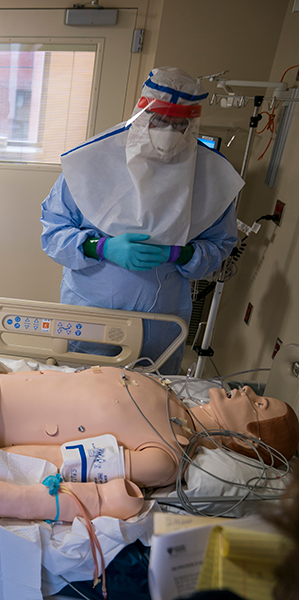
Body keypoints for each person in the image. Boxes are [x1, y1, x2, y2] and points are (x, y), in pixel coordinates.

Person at [0, 366, 299, 523]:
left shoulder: (165, 459)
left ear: (250, 440)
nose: (245, 392)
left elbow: (60, 461)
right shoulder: (169, 393)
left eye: (257, 404)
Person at [40, 67, 244, 374]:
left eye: (180, 124)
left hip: (162, 318)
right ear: (142, 112)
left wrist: (182, 254)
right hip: (92, 309)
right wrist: (101, 248)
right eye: (161, 120)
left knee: (151, 396)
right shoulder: (91, 163)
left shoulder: (211, 176)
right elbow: (53, 235)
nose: (169, 132)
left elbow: (221, 244)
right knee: (83, 390)